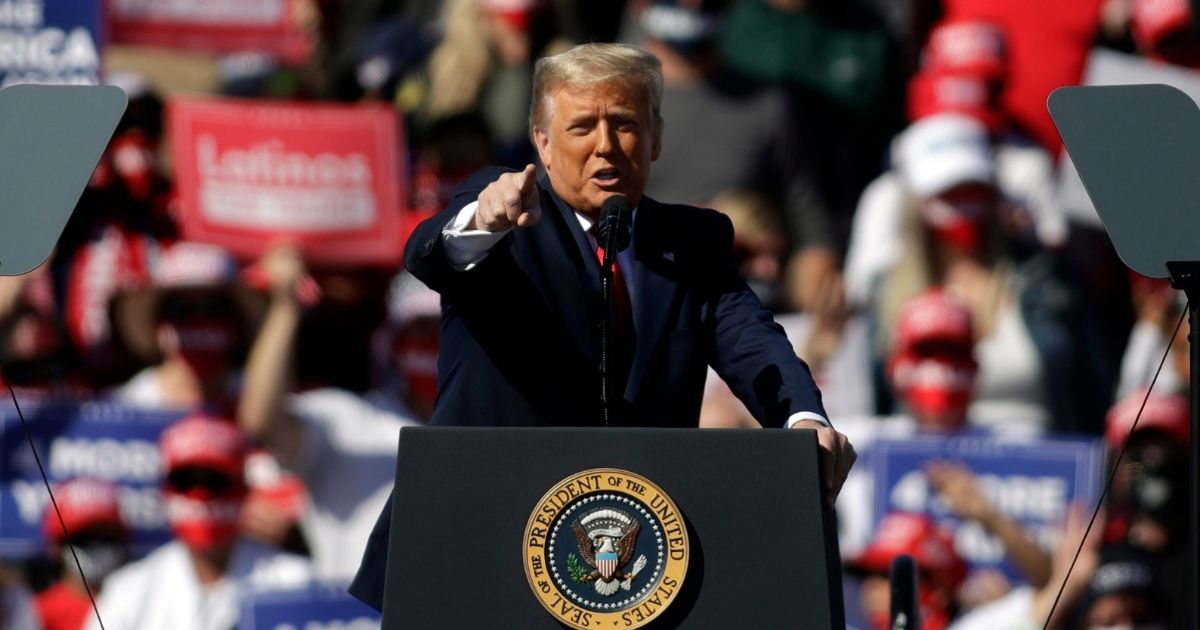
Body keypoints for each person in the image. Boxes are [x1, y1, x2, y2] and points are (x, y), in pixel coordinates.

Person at [350, 41, 855, 610]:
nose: (605, 146)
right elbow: (431, 252)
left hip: (636, 565)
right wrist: (484, 219)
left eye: (625, 124)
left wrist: (801, 416)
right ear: (542, 142)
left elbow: (752, 340)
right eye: (581, 127)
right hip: (477, 539)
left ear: (657, 138)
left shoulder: (693, 243)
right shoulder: (507, 216)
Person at [86, 413, 312, 630]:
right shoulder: (128, 591)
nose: (200, 495)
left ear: (243, 488)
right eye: (185, 481)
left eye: (215, 481)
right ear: (165, 490)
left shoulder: (296, 583)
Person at [36, 479, 129, 630]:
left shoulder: (143, 606)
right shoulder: (37, 614)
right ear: (56, 546)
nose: (95, 545)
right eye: (83, 537)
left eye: (104, 537)